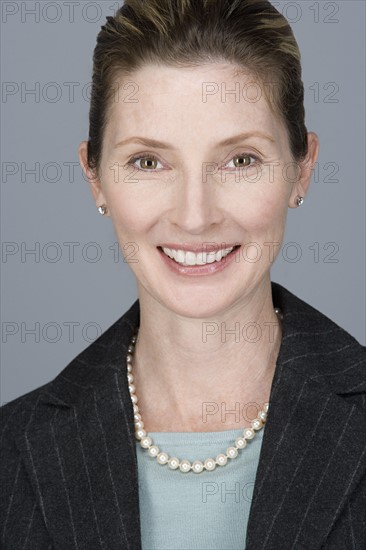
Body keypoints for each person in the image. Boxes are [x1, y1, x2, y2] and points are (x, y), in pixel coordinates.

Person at [1, 0, 365, 549]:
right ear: (95, 178)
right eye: (149, 162)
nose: (195, 216)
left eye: (240, 159)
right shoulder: (10, 451)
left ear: (302, 168)